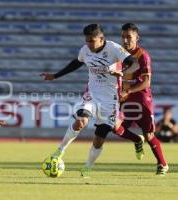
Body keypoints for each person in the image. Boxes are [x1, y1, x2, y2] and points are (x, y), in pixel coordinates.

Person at [40, 24, 135, 177]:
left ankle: (87, 167)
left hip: (110, 101)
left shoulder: (114, 49)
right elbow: (76, 62)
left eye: (92, 41)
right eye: (87, 41)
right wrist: (55, 75)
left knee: (99, 139)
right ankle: (59, 151)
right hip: (92, 94)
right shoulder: (85, 50)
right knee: (81, 121)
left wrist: (121, 71)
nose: (89, 44)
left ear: (101, 39)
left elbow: (132, 61)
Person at [111, 23, 168, 175]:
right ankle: (137, 140)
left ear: (137, 38)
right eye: (122, 37)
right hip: (124, 100)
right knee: (115, 126)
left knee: (149, 136)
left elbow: (146, 82)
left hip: (141, 100)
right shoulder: (118, 55)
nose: (125, 40)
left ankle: (162, 164)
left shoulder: (142, 56)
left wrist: (128, 90)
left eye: (129, 37)